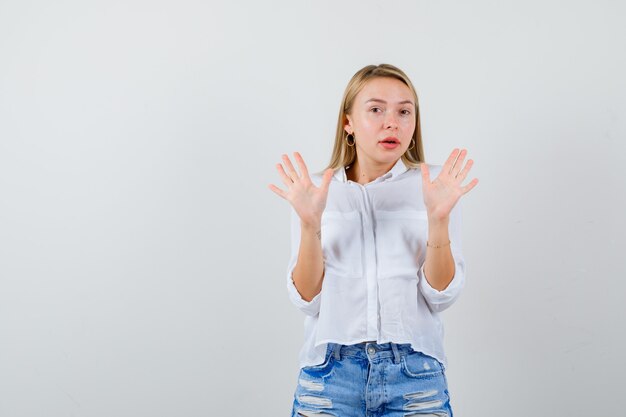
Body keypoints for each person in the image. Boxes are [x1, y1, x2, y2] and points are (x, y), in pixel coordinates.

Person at [268, 64, 478, 417]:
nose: (392, 122)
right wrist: (309, 224)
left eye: (404, 111)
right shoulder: (316, 190)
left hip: (414, 376)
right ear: (348, 122)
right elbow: (306, 299)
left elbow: (440, 295)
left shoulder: (436, 185)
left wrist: (438, 219)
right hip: (331, 376)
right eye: (376, 109)